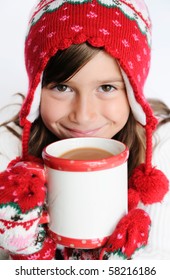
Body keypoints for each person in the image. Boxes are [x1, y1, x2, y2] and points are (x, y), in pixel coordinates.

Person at [0, 0, 170, 260]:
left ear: (133, 96)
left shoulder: (162, 151)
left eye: (107, 88)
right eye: (62, 87)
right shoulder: (7, 153)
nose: (83, 115)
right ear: (37, 93)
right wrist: (25, 251)